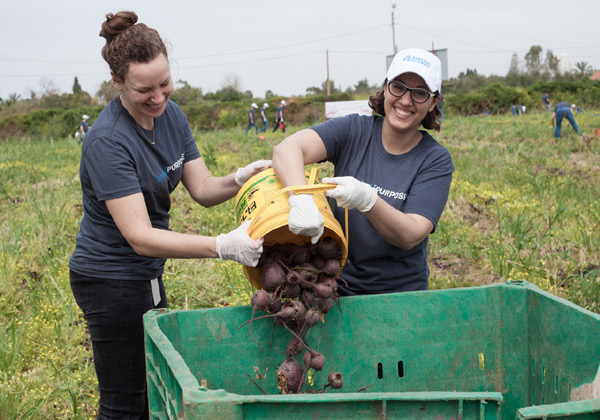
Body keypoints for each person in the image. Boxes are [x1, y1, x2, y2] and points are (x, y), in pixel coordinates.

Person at [68, 11, 268, 419]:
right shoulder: (108, 141)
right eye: (145, 90)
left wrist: (240, 177)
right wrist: (222, 246)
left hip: (145, 274)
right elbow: (140, 235)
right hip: (109, 279)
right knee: (126, 403)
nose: (158, 97)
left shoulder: (171, 115)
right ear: (118, 82)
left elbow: (202, 188)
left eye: (165, 84)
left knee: (153, 387)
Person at [272, 48, 454, 296]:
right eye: (398, 86)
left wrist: (368, 200)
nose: (405, 100)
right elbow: (287, 149)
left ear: (434, 101)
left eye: (420, 93)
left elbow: (410, 234)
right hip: (334, 290)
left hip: (400, 295)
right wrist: (300, 198)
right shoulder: (353, 131)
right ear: (386, 87)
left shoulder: (434, 159)